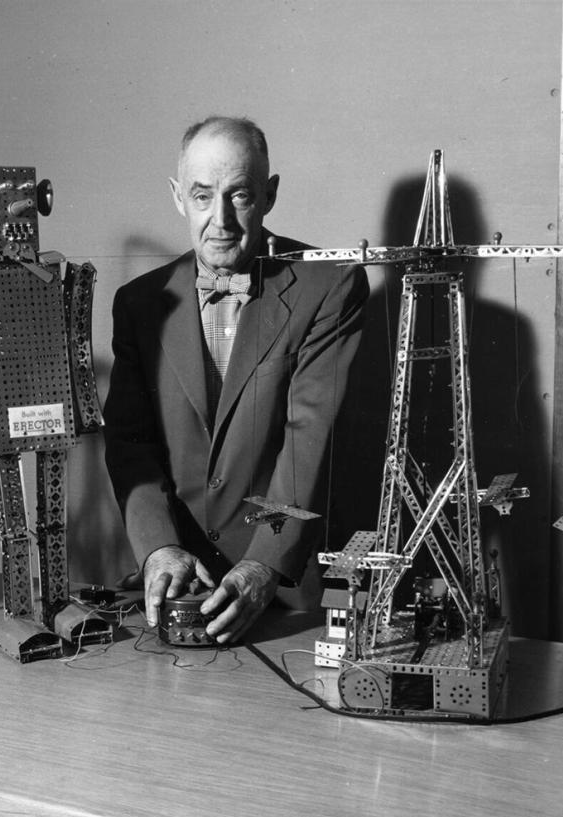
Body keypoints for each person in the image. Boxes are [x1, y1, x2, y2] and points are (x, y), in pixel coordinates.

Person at [103, 115, 369, 643]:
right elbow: (131, 443)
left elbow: (310, 438)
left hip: (291, 593)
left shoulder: (331, 283)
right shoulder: (138, 303)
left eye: (239, 195)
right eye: (202, 196)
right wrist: (158, 548)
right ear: (178, 197)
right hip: (178, 592)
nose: (219, 219)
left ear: (269, 195)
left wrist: (265, 565)